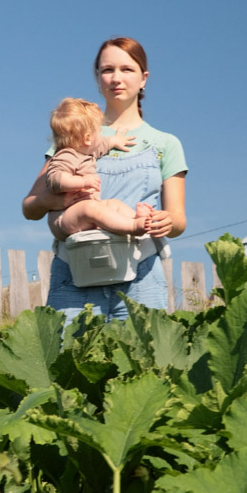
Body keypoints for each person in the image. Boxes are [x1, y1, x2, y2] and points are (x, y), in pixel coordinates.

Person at [22, 37, 188, 322]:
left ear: (144, 78)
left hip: (140, 276)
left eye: (127, 69)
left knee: (142, 364)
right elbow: (30, 207)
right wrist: (63, 197)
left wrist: (167, 222)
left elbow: (178, 219)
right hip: (75, 271)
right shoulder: (72, 135)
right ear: (97, 78)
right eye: (107, 70)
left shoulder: (166, 143)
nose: (116, 78)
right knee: (68, 363)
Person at [45, 97, 154, 239]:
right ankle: (133, 227)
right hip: (64, 217)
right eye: (99, 130)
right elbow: (56, 179)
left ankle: (136, 219)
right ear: (87, 138)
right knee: (91, 208)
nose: (102, 135)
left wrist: (115, 140)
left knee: (112, 204)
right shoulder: (66, 155)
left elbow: (103, 144)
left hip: (85, 212)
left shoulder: (87, 150)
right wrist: (83, 181)